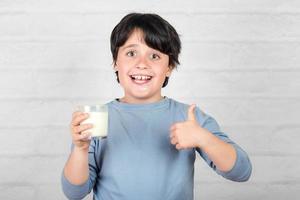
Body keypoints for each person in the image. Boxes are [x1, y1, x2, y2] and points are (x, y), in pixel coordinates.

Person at [61, 13, 252, 200]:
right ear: (115, 63)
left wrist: (204, 138)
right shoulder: (97, 118)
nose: (142, 64)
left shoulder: (189, 117)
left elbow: (241, 171)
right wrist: (80, 149)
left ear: (169, 67)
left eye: (154, 56)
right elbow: (74, 193)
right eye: (131, 53)